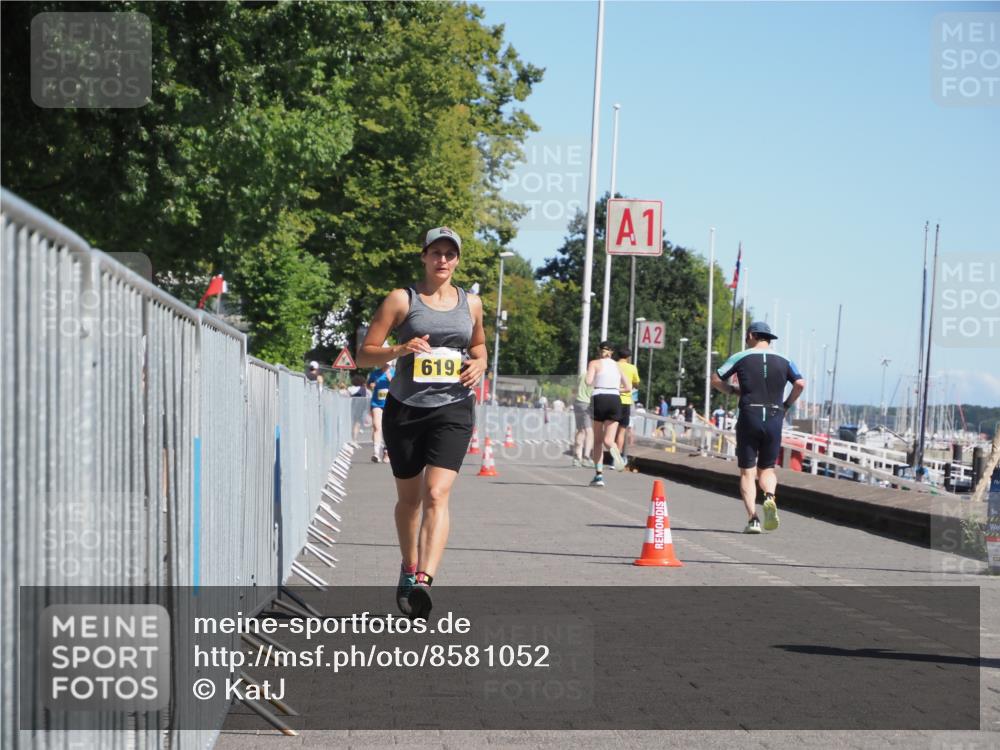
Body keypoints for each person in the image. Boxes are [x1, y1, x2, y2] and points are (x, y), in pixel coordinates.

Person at [356, 226, 487, 619]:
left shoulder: (473, 304)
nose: (443, 260)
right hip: (406, 408)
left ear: (458, 260)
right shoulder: (402, 300)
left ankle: (424, 583)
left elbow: (479, 346)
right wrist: (400, 347)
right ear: (424, 257)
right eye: (436, 253)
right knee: (409, 501)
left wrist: (480, 363)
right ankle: (408, 567)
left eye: (450, 254)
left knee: (436, 494)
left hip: (454, 407)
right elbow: (364, 355)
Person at [711, 321, 805, 534]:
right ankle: (770, 497)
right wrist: (787, 405)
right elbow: (800, 383)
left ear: (752, 335)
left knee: (747, 472)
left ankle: (753, 518)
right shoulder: (785, 360)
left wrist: (734, 391)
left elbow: (716, 379)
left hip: (750, 414)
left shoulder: (741, 356)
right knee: (768, 468)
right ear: (769, 338)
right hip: (774, 415)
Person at [585, 341, 631, 487]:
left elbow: (588, 381)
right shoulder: (617, 366)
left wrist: (597, 381)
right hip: (615, 399)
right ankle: (618, 456)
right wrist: (616, 388)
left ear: (599, 351)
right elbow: (629, 387)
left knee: (598, 441)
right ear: (611, 353)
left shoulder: (594, 363)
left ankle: (599, 476)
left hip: (599, 398)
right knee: (608, 440)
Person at [614, 347, 641, 460]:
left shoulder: (612, 365)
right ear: (628, 357)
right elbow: (637, 384)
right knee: (621, 431)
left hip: (611, 399)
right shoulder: (632, 368)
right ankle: (616, 459)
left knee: (610, 430)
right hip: (625, 401)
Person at [367, 362, 394, 462]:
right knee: (376, 426)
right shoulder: (375, 373)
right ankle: (376, 453)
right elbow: (369, 385)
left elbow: (399, 387)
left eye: (388, 363)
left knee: (388, 429)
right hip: (377, 404)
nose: (386, 365)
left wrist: (391, 380)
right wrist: (371, 385)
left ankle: (387, 453)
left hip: (390, 404)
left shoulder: (394, 373)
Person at [572, 371, 594, 468]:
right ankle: (586, 457)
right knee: (589, 431)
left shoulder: (582, 375)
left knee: (580, 430)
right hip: (586, 403)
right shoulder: (595, 377)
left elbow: (575, 389)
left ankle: (577, 457)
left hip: (577, 402)